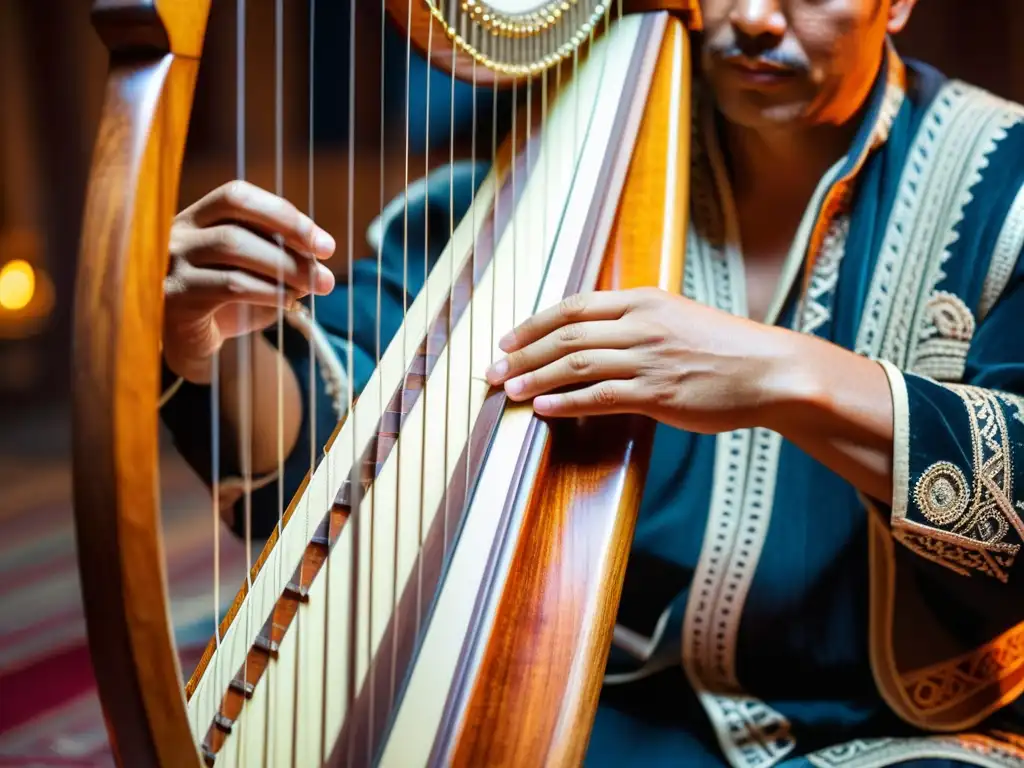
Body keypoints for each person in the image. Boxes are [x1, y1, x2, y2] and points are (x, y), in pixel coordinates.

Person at [159, 0, 1024, 764]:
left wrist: (778, 373)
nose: (757, 17)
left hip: (905, 734)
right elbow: (342, 441)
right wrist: (203, 345)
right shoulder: (563, 166)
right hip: (619, 710)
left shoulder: (1004, 181)